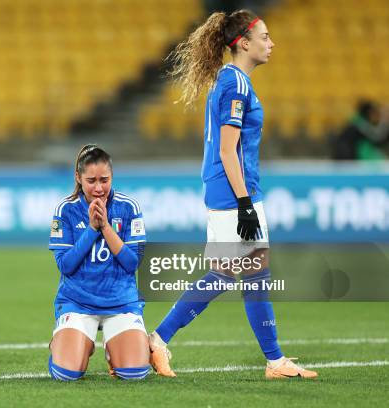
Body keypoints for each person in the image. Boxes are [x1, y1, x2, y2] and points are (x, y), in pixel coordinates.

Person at [147, 10, 318, 379]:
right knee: (233, 275)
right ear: (244, 43)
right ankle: (159, 340)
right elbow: (228, 149)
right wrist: (245, 204)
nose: (272, 43)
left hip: (231, 190)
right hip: (234, 194)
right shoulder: (236, 85)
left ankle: (273, 361)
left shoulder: (230, 81)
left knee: (242, 274)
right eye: (266, 37)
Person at [47, 144, 150, 381]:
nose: (98, 188)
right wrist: (92, 229)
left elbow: (132, 263)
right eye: (91, 180)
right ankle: (72, 341)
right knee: (66, 374)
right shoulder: (66, 210)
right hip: (78, 302)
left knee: (135, 374)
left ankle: (113, 346)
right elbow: (66, 265)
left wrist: (105, 227)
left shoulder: (128, 207)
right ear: (78, 178)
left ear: (112, 176)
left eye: (104, 180)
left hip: (120, 302)